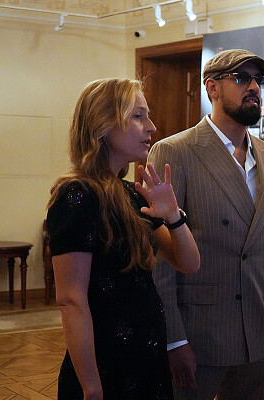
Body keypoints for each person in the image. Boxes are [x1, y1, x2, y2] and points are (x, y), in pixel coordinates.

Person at [147, 49, 264, 400]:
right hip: (200, 337)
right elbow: (161, 258)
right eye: (241, 79)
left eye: (258, 80)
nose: (254, 88)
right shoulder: (175, 152)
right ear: (212, 88)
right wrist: (175, 339)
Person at [46, 78, 200, 400]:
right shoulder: (77, 196)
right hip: (105, 365)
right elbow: (71, 300)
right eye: (138, 116)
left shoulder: (131, 194)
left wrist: (173, 215)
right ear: (103, 124)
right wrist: (90, 387)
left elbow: (189, 263)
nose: (152, 127)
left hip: (146, 356)